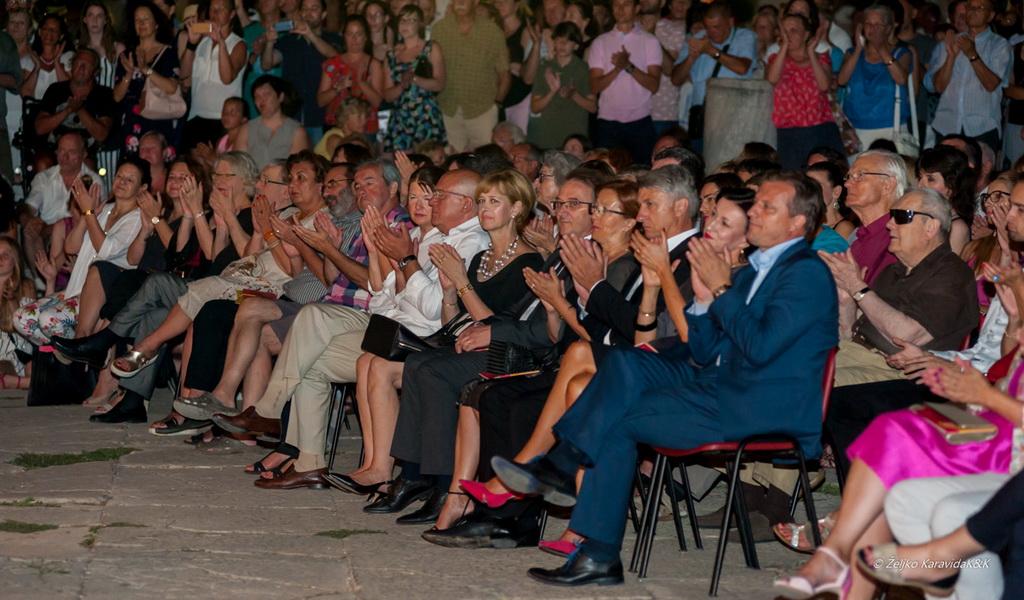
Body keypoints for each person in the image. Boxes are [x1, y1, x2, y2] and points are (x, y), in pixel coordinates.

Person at [493, 170, 838, 586]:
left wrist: (720, 291)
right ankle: (585, 522)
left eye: (767, 207)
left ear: (798, 222)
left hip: (764, 405)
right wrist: (704, 300)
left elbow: (760, 349)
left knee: (616, 411)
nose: (756, 213)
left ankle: (572, 491)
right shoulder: (750, 272)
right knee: (623, 369)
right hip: (721, 387)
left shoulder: (805, 272)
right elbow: (705, 350)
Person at [14, 157, 146, 345]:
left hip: (98, 298)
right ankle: (68, 350)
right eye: (119, 176)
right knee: (22, 318)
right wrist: (86, 215)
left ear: (142, 188)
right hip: (75, 288)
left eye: (130, 179)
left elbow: (105, 251)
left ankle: (76, 351)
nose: (122, 181)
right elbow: (71, 247)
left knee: (48, 320)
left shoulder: (138, 218)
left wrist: (89, 213)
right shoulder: (104, 209)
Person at [926, 0, 1011, 151]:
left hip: (982, 127)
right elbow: (938, 87)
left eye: (980, 8)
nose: (973, 11)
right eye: (970, 7)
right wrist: (951, 57)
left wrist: (972, 54)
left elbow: (991, 85)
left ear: (990, 15)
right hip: (947, 125)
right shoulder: (951, 42)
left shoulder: (999, 45)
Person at [671, 1, 756, 150]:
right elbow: (676, 79)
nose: (711, 32)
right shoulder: (698, 38)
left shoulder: (745, 37)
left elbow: (742, 68)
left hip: (733, 116)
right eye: (708, 26)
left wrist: (710, 50)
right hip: (701, 116)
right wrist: (691, 57)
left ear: (730, 22)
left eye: (717, 27)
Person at [431, 0, 511, 152]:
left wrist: (496, 104)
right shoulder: (439, 29)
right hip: (448, 109)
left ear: (475, 2)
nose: (460, 2)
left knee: (487, 160)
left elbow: (504, 73)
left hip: (482, 110)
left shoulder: (492, 31)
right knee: (452, 161)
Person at [588, 0, 662, 164]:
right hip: (608, 121)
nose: (621, 9)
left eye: (626, 4)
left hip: (640, 120)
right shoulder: (601, 42)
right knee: (606, 172)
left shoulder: (649, 41)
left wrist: (628, 66)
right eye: (616, 4)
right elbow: (595, 86)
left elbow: (654, 85)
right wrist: (617, 69)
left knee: (642, 172)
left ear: (637, 8)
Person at [766, 13, 843, 170]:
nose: (788, 35)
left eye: (793, 30)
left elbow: (824, 86)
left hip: (820, 129)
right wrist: (784, 47)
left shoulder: (821, 57)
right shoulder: (775, 59)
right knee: (792, 177)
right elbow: (772, 79)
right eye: (785, 31)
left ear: (806, 35)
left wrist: (811, 53)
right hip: (789, 132)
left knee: (822, 174)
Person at [20, 131, 103, 276]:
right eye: (61, 151)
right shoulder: (44, 177)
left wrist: (51, 228)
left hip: (76, 230)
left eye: (71, 152)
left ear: (83, 155)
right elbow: (28, 207)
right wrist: (30, 221)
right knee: (29, 231)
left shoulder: (93, 181)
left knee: (65, 230)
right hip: (44, 234)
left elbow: (95, 217)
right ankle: (39, 281)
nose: (64, 157)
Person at [260, 0, 342, 143]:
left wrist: (310, 35)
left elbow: (336, 57)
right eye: (304, 8)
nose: (308, 13)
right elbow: (266, 64)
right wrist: (269, 42)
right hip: (291, 117)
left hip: (321, 116)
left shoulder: (332, 39)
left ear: (323, 14)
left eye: (314, 9)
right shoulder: (289, 40)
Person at [837, 3, 914, 150]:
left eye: (878, 24)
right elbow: (841, 80)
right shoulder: (852, 53)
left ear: (888, 28)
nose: (872, 28)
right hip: (856, 130)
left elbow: (901, 79)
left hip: (890, 129)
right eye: (868, 24)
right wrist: (858, 49)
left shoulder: (901, 54)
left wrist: (882, 49)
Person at [114, 0, 183, 157]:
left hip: (158, 118)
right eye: (137, 20)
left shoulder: (168, 53)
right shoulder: (127, 55)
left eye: (146, 19)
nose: (141, 24)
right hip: (132, 122)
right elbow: (117, 96)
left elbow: (171, 87)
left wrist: (146, 69)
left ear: (156, 24)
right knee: (132, 166)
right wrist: (128, 74)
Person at [179, 0, 248, 151]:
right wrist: (191, 43)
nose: (215, 13)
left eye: (221, 9)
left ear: (232, 14)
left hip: (222, 119)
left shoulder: (238, 44)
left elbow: (227, 78)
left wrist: (221, 42)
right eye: (212, 9)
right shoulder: (202, 43)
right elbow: (184, 74)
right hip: (196, 116)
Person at [381, 4, 447, 152]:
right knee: (402, 163)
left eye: (411, 20)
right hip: (401, 117)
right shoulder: (391, 55)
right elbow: (387, 95)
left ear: (420, 24)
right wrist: (402, 85)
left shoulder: (431, 48)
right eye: (402, 20)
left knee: (428, 160)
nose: (405, 24)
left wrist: (414, 79)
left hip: (426, 114)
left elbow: (440, 84)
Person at [527, 22, 595, 151]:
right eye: (559, 39)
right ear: (554, 42)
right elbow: (535, 108)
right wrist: (552, 91)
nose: (562, 44)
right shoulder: (545, 68)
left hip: (574, 139)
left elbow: (592, 107)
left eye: (568, 41)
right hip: (549, 138)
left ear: (576, 45)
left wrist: (573, 95)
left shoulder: (583, 69)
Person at [843, 150, 907, 285]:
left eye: (859, 175)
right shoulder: (857, 240)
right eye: (849, 176)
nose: (847, 183)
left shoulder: (900, 237)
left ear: (888, 185)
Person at [317, 15, 384, 143]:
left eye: (358, 34)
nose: (354, 39)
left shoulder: (373, 64)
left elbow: (377, 102)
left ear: (365, 37)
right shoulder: (332, 63)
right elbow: (320, 101)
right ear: (344, 37)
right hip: (338, 128)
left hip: (365, 129)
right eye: (350, 34)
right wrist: (338, 88)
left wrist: (361, 82)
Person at [235, 75, 311, 169]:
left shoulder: (296, 131)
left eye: (266, 94)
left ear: (281, 97)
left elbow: (298, 168)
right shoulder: (246, 129)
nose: (261, 100)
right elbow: (239, 166)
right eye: (257, 96)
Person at [915, 145, 976, 253]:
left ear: (952, 185)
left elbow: (947, 264)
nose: (920, 185)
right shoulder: (921, 217)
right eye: (920, 177)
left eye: (930, 179)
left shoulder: (957, 228)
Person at [19, 14, 73, 102]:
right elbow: (25, 94)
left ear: (61, 36)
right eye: (46, 28)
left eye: (55, 30)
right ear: (40, 32)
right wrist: (37, 67)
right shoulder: (27, 60)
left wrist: (56, 62)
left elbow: (70, 91)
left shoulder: (68, 57)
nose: (50, 32)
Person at [805, 160, 855, 239]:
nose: (809, 191)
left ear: (836, 192)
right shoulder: (806, 224)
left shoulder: (844, 227)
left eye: (816, 186)